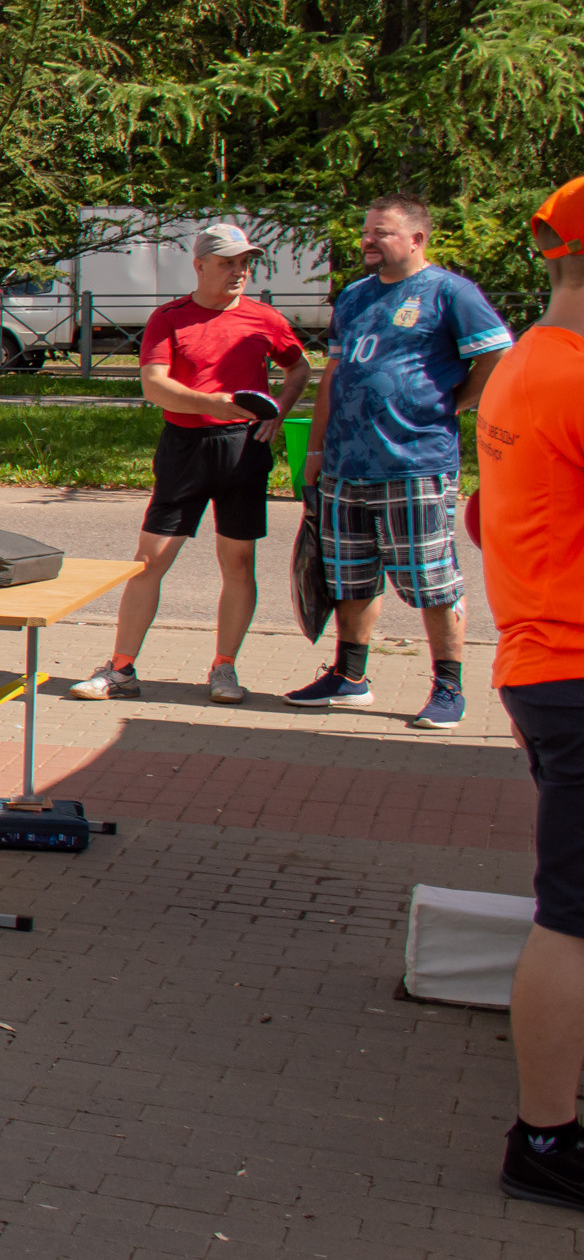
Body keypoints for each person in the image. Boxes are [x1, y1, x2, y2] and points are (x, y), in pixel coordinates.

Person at [286, 195, 512, 727]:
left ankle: (448, 688)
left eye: (381, 232)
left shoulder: (450, 293)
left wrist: (455, 401)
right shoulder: (355, 297)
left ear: (416, 239)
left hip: (415, 462)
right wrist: (316, 450)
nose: (368, 240)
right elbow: (335, 376)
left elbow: (498, 353)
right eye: (366, 231)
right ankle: (349, 677)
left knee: (432, 579)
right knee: (350, 575)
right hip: (346, 462)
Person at [67, 225, 312, 704]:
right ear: (200, 266)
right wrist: (215, 403)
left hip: (244, 448)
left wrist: (280, 410)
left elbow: (298, 367)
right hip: (184, 447)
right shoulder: (169, 317)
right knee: (149, 562)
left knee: (238, 562)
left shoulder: (264, 317)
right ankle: (120, 670)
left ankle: (224, 669)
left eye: (245, 262)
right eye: (228, 262)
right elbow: (154, 386)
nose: (239, 271)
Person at [472, 174, 584, 1213]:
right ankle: (546, 1136)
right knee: (573, 916)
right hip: (570, 668)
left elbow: (481, 518)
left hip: (541, 660)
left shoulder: (520, 366)